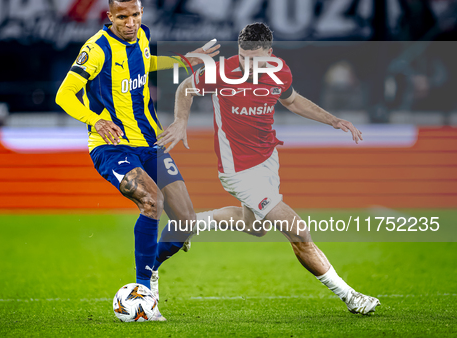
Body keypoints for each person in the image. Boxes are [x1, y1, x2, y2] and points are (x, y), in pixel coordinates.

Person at [157, 22, 380, 315]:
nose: (248, 66)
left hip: (267, 161)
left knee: (255, 227)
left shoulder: (280, 71)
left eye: (256, 60)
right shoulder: (222, 71)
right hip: (238, 170)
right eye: (244, 57)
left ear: (270, 54)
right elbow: (186, 88)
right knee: (298, 231)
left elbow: (293, 100)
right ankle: (351, 296)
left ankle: (188, 224)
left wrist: (333, 120)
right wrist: (181, 121)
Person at [55, 0, 219, 321]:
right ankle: (143, 293)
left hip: (149, 143)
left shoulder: (142, 36)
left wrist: (186, 60)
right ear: (109, 17)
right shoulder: (96, 49)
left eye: (136, 15)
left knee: (186, 223)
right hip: (112, 147)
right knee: (151, 201)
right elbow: (64, 94)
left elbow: (146, 61)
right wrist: (96, 119)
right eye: (123, 17)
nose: (131, 23)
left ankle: (151, 265)